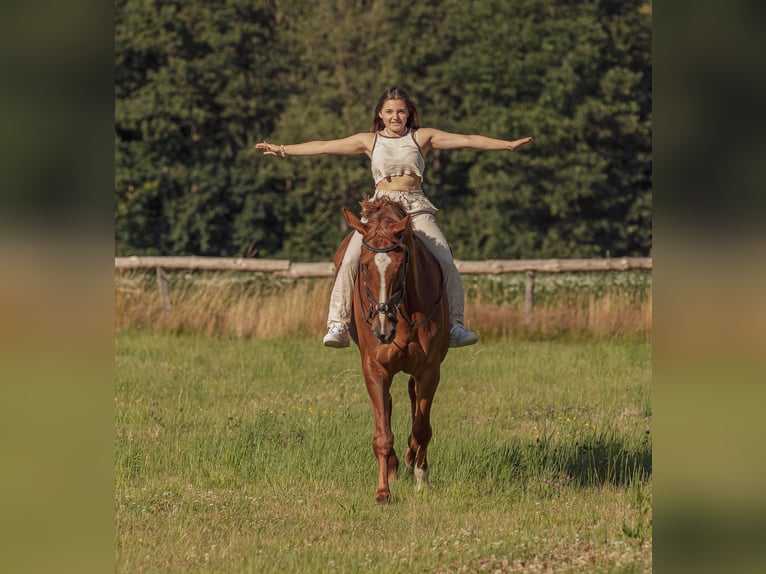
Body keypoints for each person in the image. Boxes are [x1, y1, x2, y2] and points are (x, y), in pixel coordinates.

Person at [256, 86, 532, 349]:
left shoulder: (421, 137)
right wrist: (282, 149)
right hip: (380, 209)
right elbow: (324, 145)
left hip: (415, 207)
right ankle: (337, 325)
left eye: (400, 112)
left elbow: (469, 140)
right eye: (389, 112)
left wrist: (507, 145)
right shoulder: (369, 141)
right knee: (350, 258)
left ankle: (455, 326)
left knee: (446, 259)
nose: (395, 117)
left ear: (409, 113)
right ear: (380, 114)